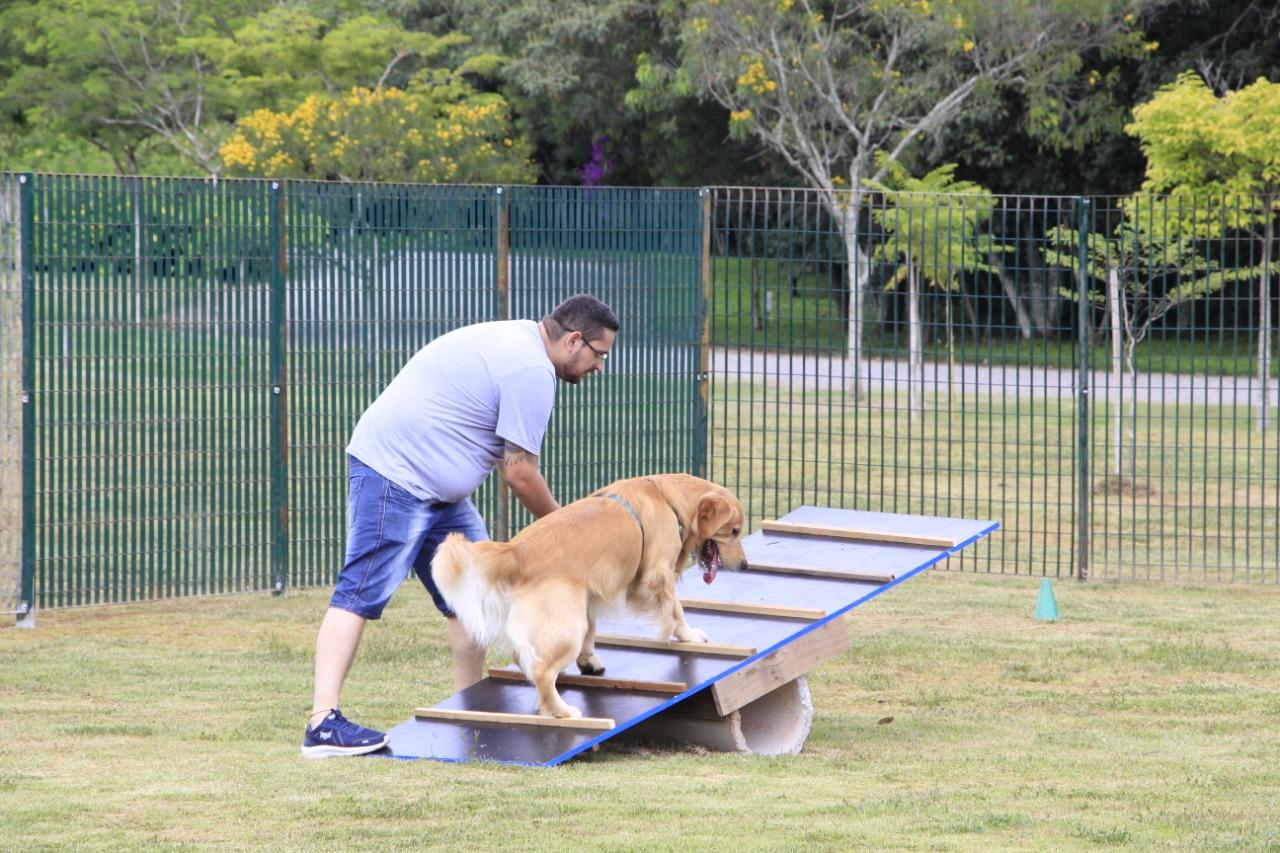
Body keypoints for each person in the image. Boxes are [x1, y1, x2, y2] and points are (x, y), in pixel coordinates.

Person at [302, 294, 618, 757]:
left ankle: (467, 708)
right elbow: (519, 472)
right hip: (397, 473)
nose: (599, 367)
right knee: (360, 592)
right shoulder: (531, 371)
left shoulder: (520, 342)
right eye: (599, 354)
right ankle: (322, 723)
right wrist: (568, 530)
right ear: (574, 340)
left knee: (476, 594)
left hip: (438, 492)